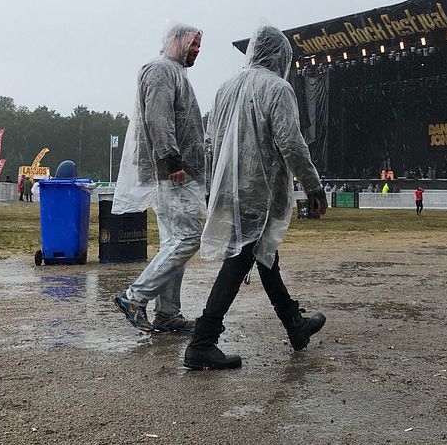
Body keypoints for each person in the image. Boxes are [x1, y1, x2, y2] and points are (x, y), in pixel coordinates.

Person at [184, 24, 327, 370]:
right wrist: (313, 186)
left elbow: (210, 142)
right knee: (241, 259)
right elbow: (290, 143)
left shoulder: (225, 88)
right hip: (257, 190)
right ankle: (202, 341)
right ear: (281, 56)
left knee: (264, 256)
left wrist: (213, 186)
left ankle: (294, 325)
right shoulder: (277, 90)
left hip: (228, 188)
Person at [111, 23, 205, 334]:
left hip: (177, 170)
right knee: (188, 238)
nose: (197, 49)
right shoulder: (162, 70)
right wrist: (171, 160)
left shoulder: (175, 72)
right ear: (175, 40)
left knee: (173, 242)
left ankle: (168, 313)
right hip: (174, 172)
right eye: (193, 43)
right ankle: (134, 297)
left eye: (199, 45)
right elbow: (158, 116)